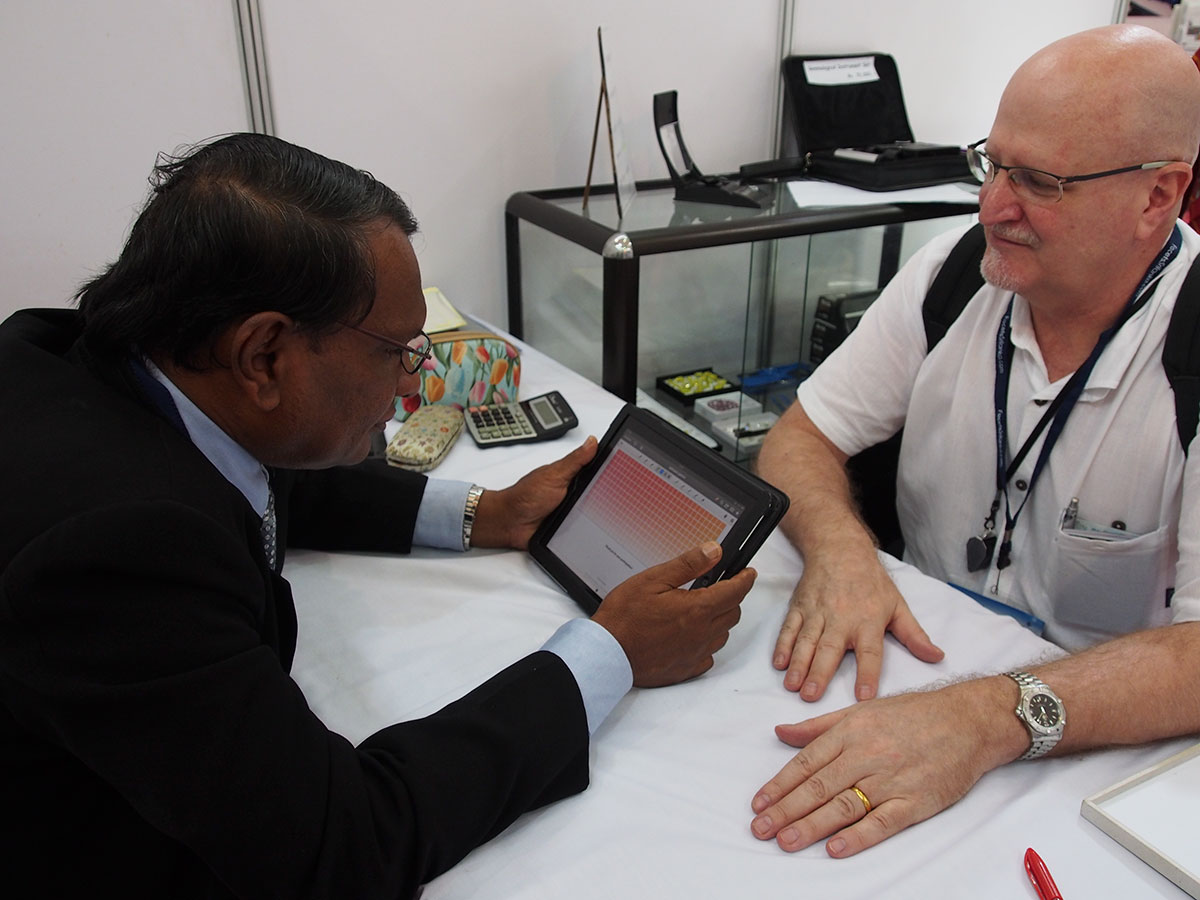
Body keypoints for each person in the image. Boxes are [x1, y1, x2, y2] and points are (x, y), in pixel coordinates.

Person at [0, 133, 755, 898]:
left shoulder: (114, 362)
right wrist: (610, 654)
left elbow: (272, 467)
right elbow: (345, 844)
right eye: (395, 350)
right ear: (265, 356)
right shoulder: (112, 552)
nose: (411, 380)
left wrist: (487, 512)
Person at [749, 24, 1200, 857]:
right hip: (911, 687)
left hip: (1096, 766)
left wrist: (984, 717)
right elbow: (801, 437)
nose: (994, 204)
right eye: (993, 163)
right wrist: (843, 549)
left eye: (1040, 181)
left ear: (1157, 198)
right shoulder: (956, 273)